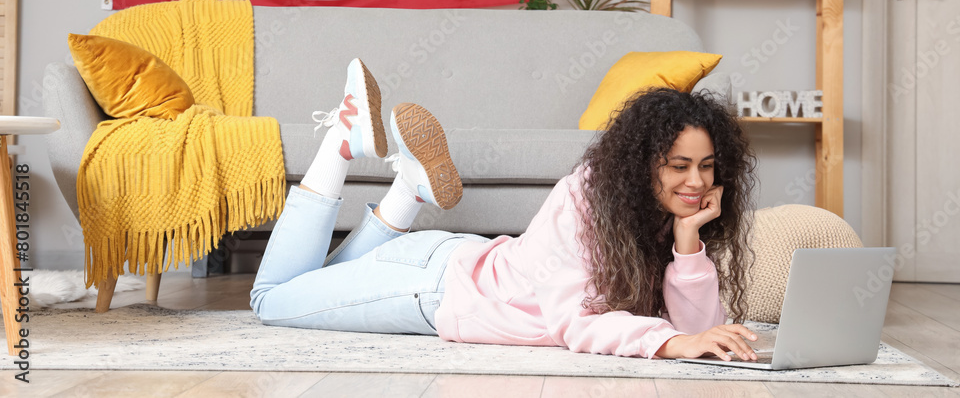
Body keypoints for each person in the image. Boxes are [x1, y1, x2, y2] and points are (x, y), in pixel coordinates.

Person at [250, 58, 760, 361]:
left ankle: (408, 190)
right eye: (679, 166)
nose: (697, 182)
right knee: (270, 300)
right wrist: (673, 345)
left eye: (708, 166)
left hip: (451, 264)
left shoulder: (669, 213)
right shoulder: (585, 197)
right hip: (432, 288)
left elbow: (699, 331)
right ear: (644, 163)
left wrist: (688, 242)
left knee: (311, 285)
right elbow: (577, 323)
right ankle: (342, 139)